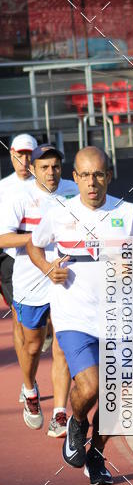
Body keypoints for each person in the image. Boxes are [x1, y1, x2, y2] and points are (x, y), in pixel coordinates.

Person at [28, 146, 133, 485]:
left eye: (99, 175)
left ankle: (97, 456)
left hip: (118, 314)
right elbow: (34, 244)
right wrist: (47, 267)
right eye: (85, 175)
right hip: (74, 316)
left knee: (117, 397)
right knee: (90, 384)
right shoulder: (59, 211)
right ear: (75, 178)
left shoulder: (128, 212)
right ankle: (76, 421)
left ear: (109, 176)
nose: (92, 183)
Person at [0, 144, 77, 434]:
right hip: (30, 281)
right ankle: (30, 389)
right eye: (44, 167)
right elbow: (2, 238)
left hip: (67, 280)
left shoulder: (73, 189)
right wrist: (38, 237)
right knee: (32, 346)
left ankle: (59, 413)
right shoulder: (19, 198)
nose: (51, 172)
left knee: (63, 346)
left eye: (55, 166)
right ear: (33, 170)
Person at [0, 134, 41, 374]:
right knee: (18, 316)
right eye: (19, 154)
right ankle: (29, 382)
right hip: (10, 258)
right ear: (11, 154)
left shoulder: (47, 183)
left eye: (28, 155)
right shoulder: (3, 187)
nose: (24, 160)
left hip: (44, 257)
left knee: (45, 322)